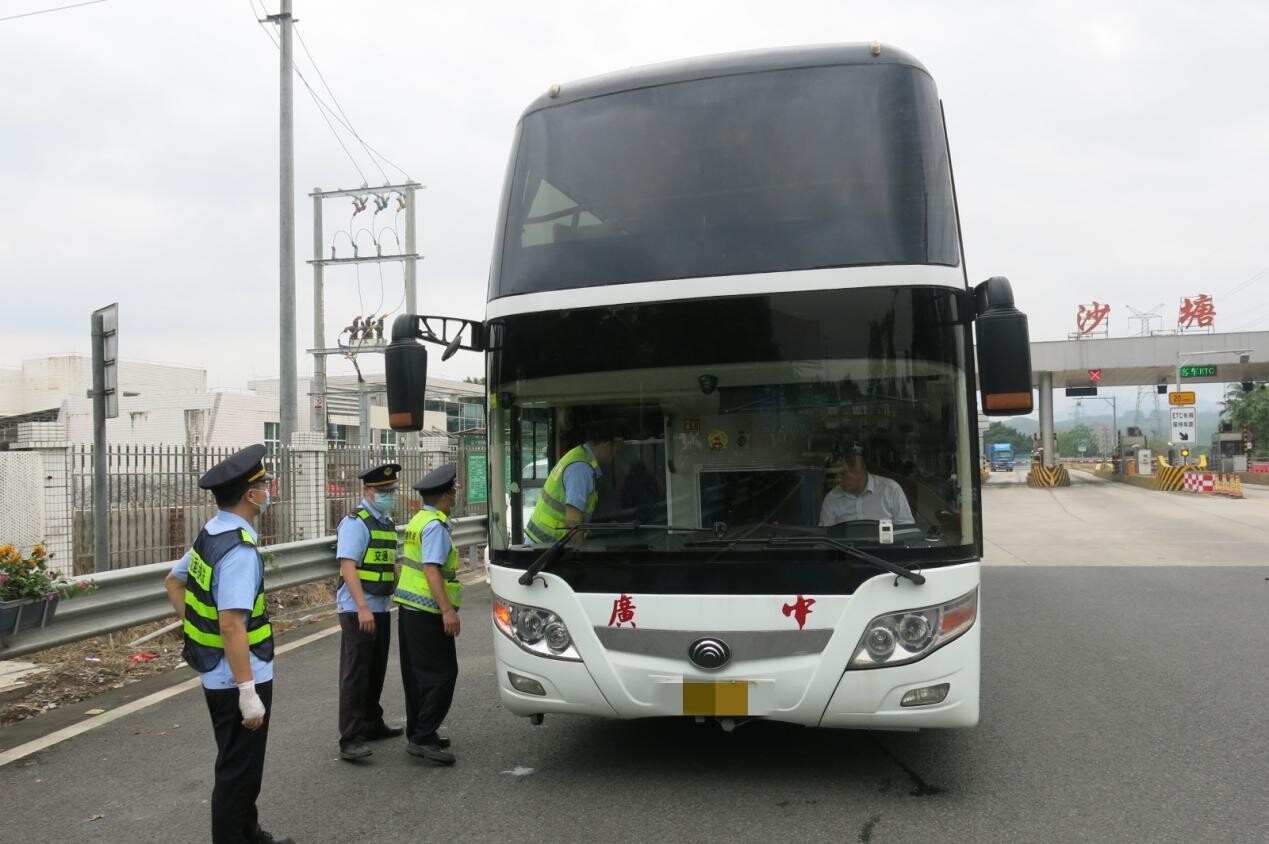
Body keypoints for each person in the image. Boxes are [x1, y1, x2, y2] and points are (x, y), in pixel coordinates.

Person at [162, 444, 293, 844]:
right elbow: (232, 624)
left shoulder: (212, 534)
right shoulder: (239, 551)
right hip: (238, 675)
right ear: (250, 495)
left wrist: (198, 629)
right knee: (238, 774)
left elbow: (173, 582)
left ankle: (249, 835)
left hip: (216, 671)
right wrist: (247, 692)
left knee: (240, 767)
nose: (268, 490)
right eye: (264, 485)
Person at [334, 462, 405, 762]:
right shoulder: (356, 523)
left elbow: (390, 564)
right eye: (383, 490)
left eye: (392, 489)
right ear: (367, 490)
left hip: (381, 606)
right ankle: (350, 738)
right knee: (356, 674)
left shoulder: (386, 523)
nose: (389, 494)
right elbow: (348, 567)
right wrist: (362, 608)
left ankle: (372, 723)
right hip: (358, 609)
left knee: (375, 670)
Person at [394, 464, 462, 765]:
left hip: (411, 608)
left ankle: (420, 732)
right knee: (443, 675)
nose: (455, 496)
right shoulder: (435, 526)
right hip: (428, 610)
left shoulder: (418, 519)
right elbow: (432, 570)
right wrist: (447, 610)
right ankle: (422, 737)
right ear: (445, 496)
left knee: (417, 675)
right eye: (453, 491)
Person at [524, 422, 622, 543]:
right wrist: (579, 551)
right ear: (607, 445)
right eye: (616, 450)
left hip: (542, 543)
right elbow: (573, 525)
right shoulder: (581, 469)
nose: (616, 456)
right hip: (546, 546)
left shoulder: (578, 455)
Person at [819, 442, 915, 526]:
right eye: (835, 474)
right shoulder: (832, 499)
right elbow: (826, 537)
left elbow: (906, 531)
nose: (838, 479)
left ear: (861, 468)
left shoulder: (890, 490)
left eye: (843, 473)